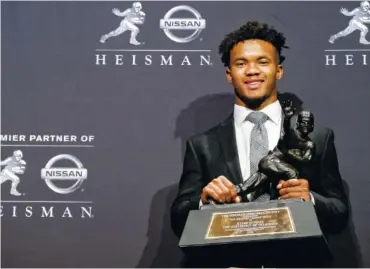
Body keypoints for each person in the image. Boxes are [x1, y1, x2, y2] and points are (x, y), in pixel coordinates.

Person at [170, 21, 349, 267]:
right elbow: (179, 219)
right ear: (229, 74)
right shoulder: (202, 144)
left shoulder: (318, 137)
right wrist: (204, 201)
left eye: (262, 62)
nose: (252, 70)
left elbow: (339, 213)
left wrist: (310, 199)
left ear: (279, 70)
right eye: (241, 63)